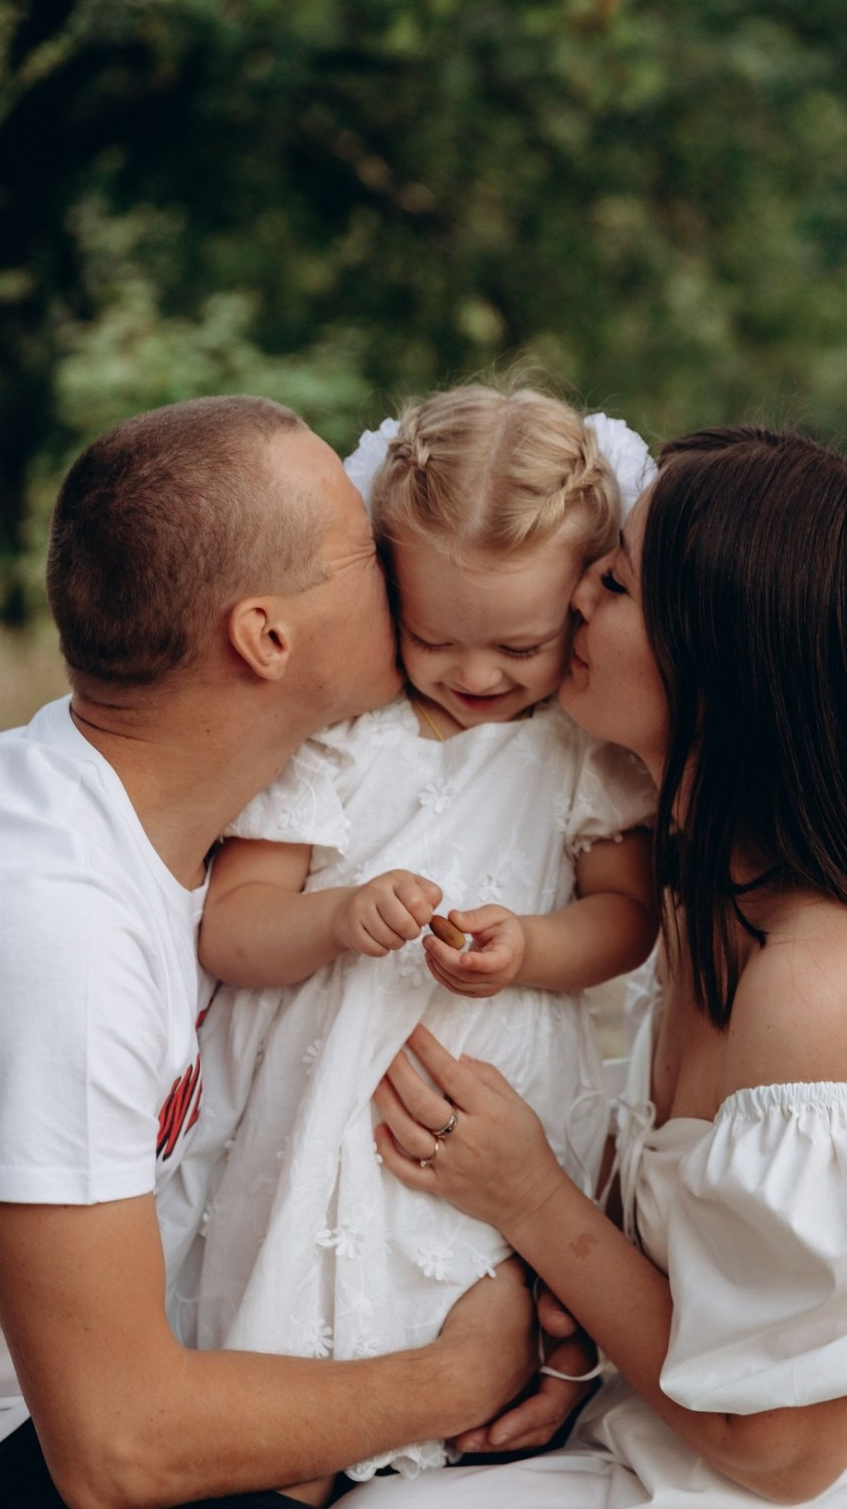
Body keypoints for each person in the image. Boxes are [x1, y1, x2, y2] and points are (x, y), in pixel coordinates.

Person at [0, 395, 557, 1509]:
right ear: (265, 635)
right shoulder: (45, 930)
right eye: (366, 551)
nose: (399, 560)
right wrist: (459, 1372)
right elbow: (120, 1446)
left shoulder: (160, 822)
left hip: (38, 1406)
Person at [360, 425, 847, 1509]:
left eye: (616, 578)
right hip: (688, 1427)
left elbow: (787, 1448)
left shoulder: (822, 986)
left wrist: (530, 1194)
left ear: (724, 661)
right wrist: (574, 1358)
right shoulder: (700, 889)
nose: (575, 594)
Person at [194, 387, 659, 1497]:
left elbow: (627, 919)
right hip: (321, 1101)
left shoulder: (576, 747)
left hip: (490, 1101)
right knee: (287, 1345)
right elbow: (233, 925)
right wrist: (334, 917)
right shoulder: (343, 734)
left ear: (583, 607)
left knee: (460, 1327)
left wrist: (533, 945)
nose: (479, 673)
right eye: (434, 635)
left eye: (521, 643)